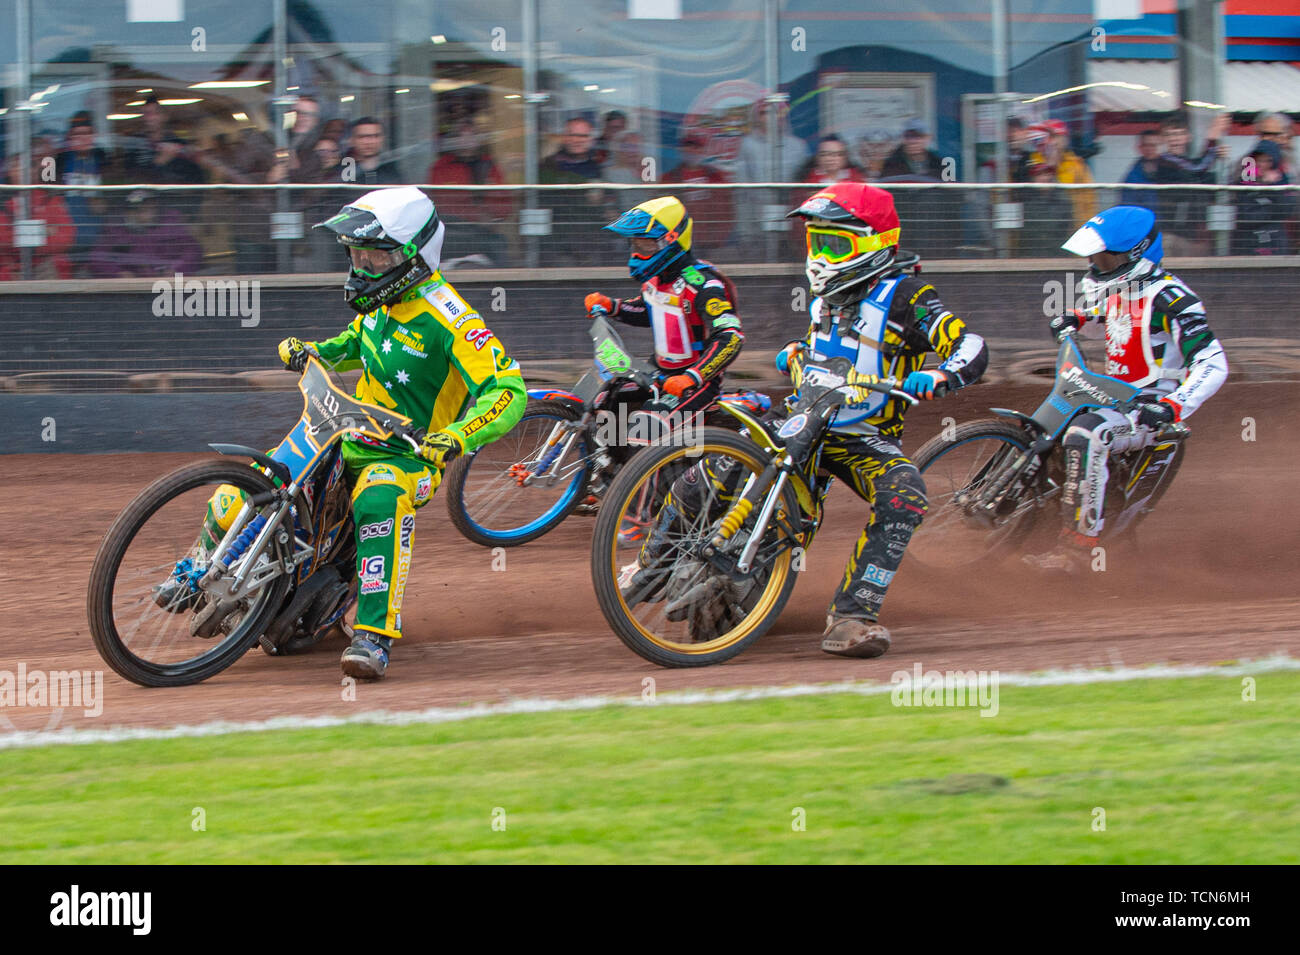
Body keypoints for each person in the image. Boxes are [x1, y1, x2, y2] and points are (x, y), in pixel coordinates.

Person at [275, 186, 526, 678]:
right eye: (356, 254)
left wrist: (457, 436)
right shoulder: (381, 300)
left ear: (412, 257)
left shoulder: (451, 319)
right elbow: (357, 343)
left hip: (408, 457)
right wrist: (315, 351)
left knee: (378, 500)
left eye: (374, 255)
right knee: (267, 476)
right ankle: (202, 570)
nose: (363, 264)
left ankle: (373, 638)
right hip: (344, 432)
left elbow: (509, 390)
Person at [1027, 205, 1228, 573]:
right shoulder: (1123, 287)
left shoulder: (1172, 299)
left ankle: (1077, 551)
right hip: (1112, 394)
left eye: (1104, 257)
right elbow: (1115, 321)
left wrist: (1173, 406)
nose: (1096, 263)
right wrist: (1077, 318)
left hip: (1149, 407)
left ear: (1135, 254)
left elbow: (1213, 363)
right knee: (1052, 430)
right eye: (1094, 257)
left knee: (1088, 435)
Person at [582, 195, 744, 461]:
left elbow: (731, 337)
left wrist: (693, 377)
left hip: (696, 381)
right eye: (635, 244)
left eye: (646, 244)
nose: (638, 252)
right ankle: (610, 478)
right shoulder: (657, 280)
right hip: (658, 372)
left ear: (671, 240)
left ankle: (646, 500)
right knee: (605, 401)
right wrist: (611, 305)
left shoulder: (704, 284)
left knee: (646, 428)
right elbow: (650, 311)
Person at [87, 188, 202, 278]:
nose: (143, 215)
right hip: (131, 291)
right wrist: (118, 273)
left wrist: (176, 270)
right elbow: (97, 258)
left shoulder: (170, 225)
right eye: (138, 210)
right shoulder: (115, 230)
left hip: (167, 287)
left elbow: (192, 251)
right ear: (128, 212)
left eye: (148, 209)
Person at [662, 133, 733, 252]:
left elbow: (727, 210)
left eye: (696, 147)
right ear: (680, 150)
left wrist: (718, 238)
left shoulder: (715, 176)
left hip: (712, 243)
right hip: (680, 242)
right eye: (688, 146)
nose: (692, 151)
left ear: (703, 151)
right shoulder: (669, 178)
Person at [346, 117, 404, 185]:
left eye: (375, 136)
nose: (368, 142)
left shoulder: (392, 172)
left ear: (382, 139)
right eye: (362, 137)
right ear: (352, 140)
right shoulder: (343, 172)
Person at [799, 135, 865, 185]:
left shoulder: (856, 178)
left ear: (845, 157)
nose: (830, 158)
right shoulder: (807, 180)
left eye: (837, 154)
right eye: (825, 154)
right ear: (817, 157)